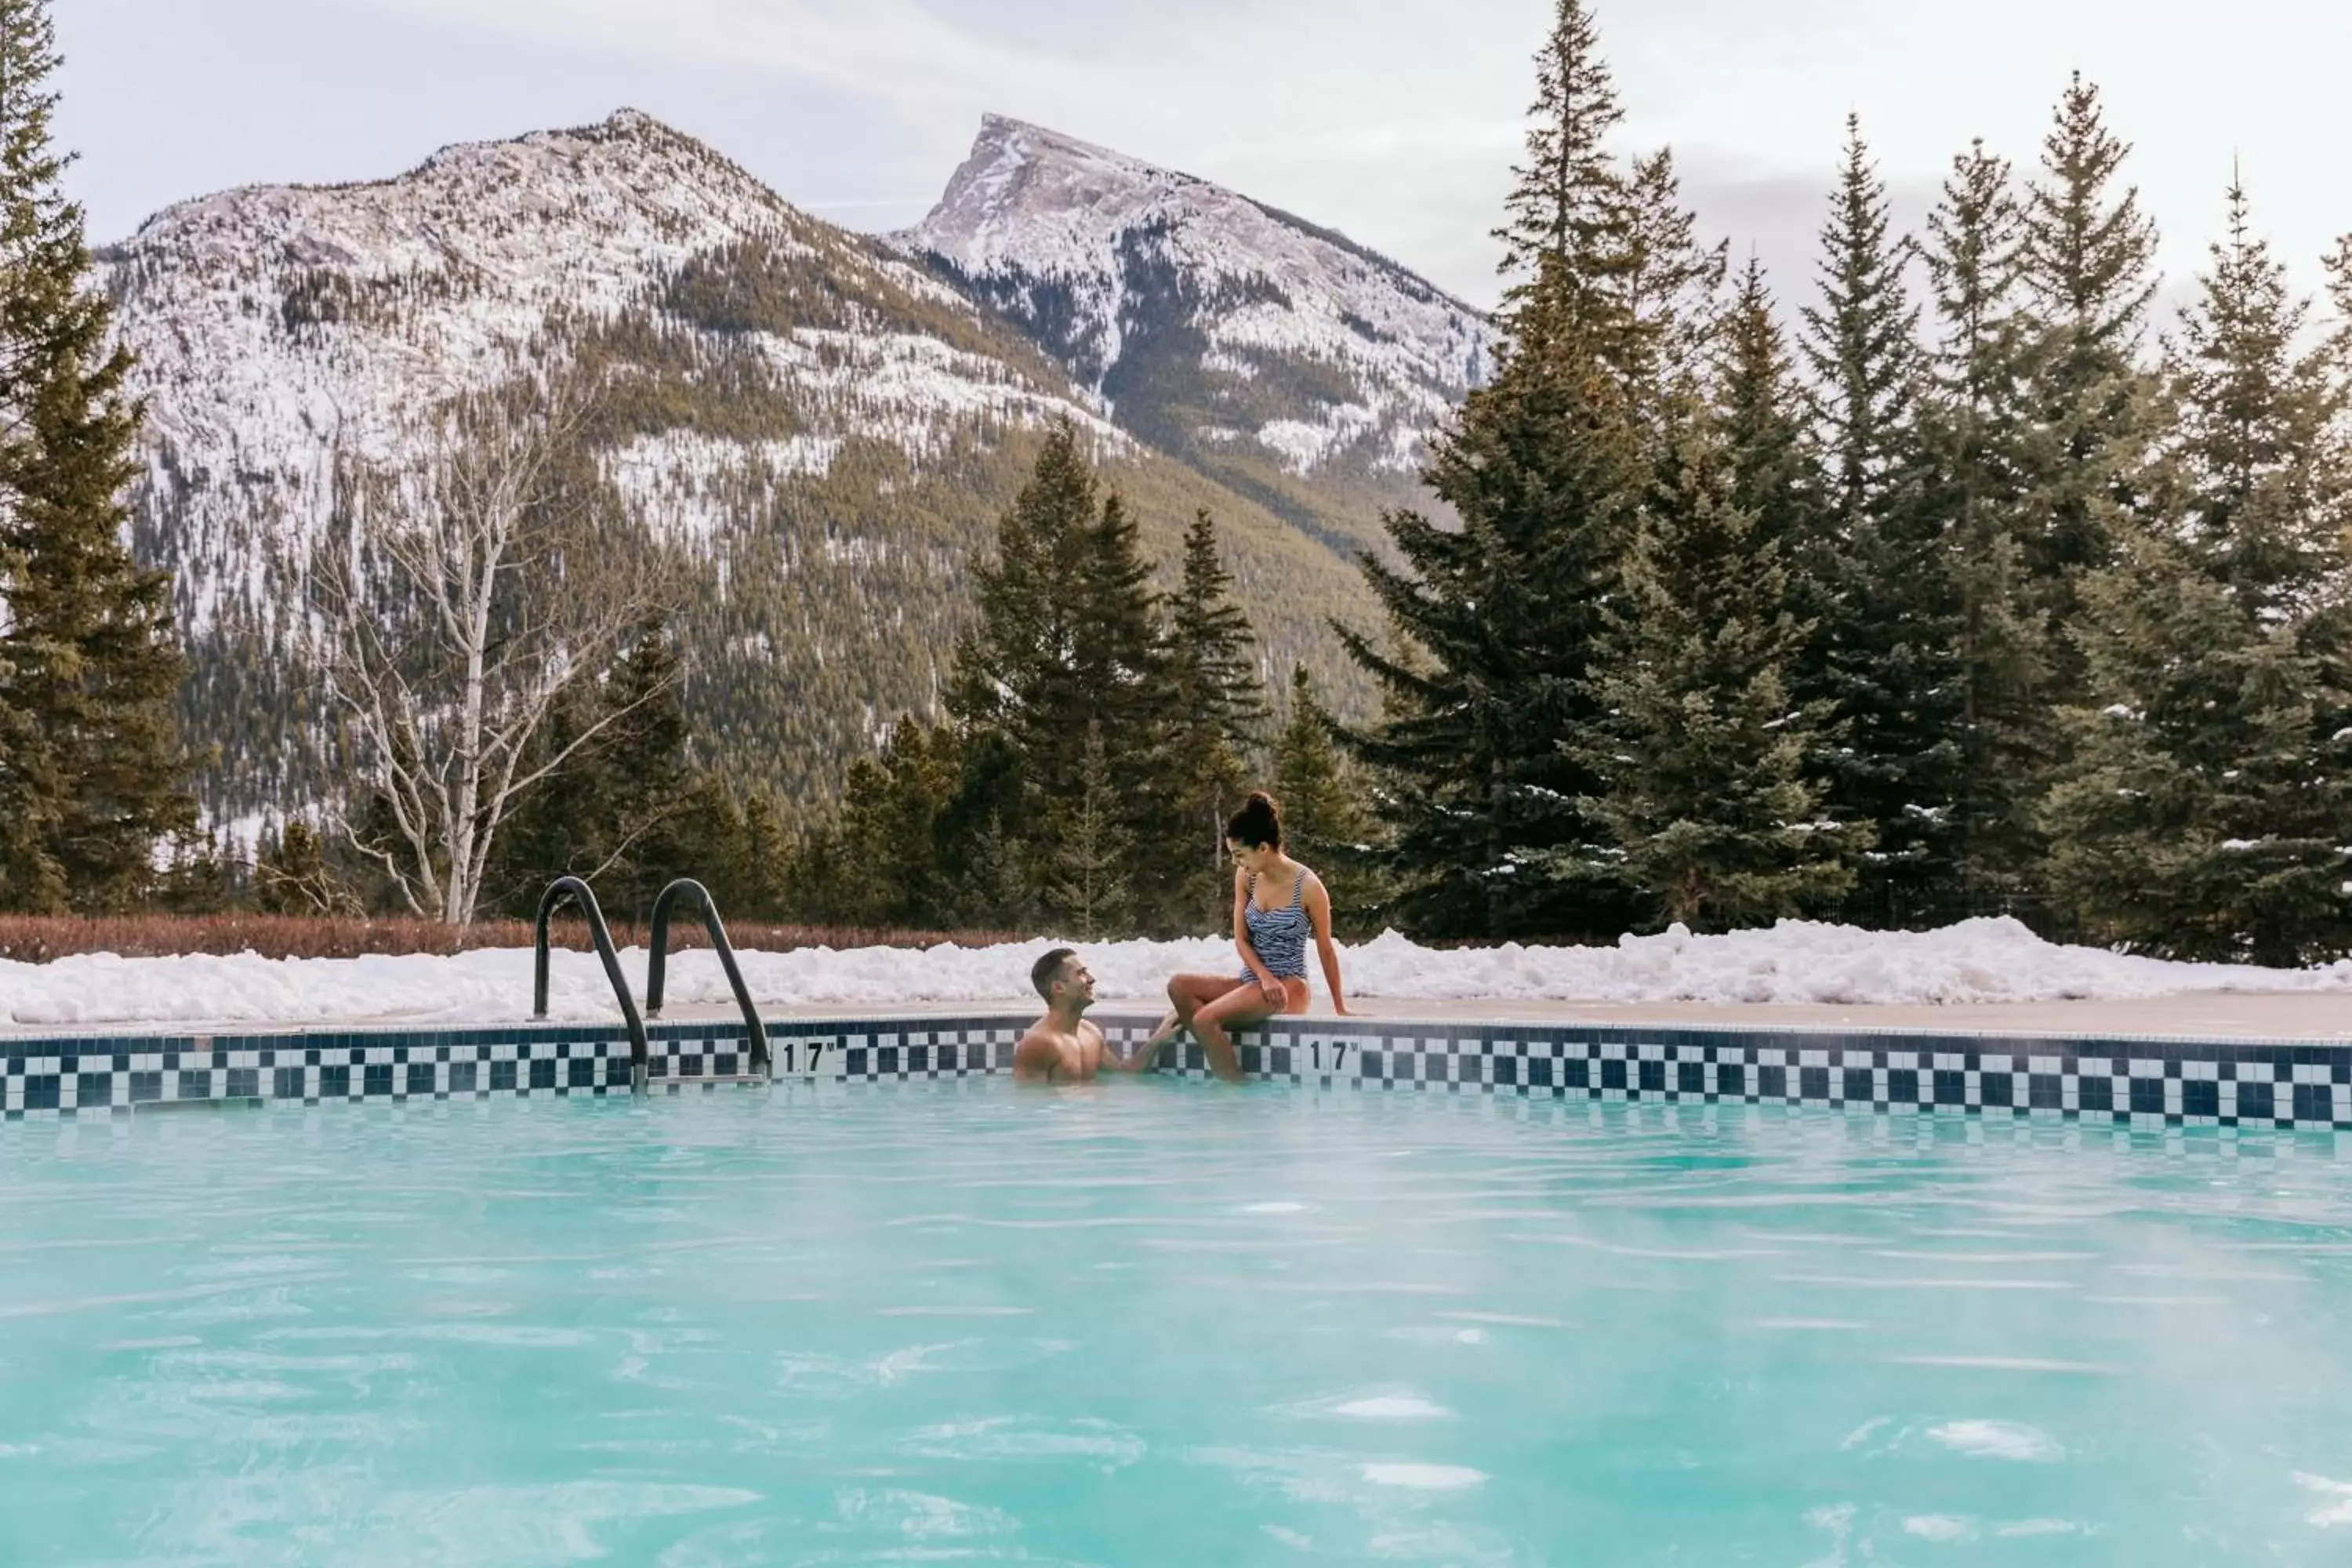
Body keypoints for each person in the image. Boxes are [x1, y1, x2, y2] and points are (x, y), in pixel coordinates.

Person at [1142, 792, 1348, 1083]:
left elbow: (1326, 949)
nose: (1235, 862)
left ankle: (1235, 1089)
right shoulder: (1247, 878)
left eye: (1240, 854)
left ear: (1263, 847)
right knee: (1178, 986)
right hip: (1255, 981)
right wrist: (1262, 976)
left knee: (1203, 1019)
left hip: (1288, 985)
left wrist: (1340, 1007)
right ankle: (1219, 1050)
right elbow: (1241, 940)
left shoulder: (1309, 887)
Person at [1012, 948, 1163, 1084]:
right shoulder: (1040, 1043)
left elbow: (1125, 1073)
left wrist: (1159, 1038)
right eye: (1081, 973)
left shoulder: (1090, 1033)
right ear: (1058, 987)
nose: (1091, 979)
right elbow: (1030, 1105)